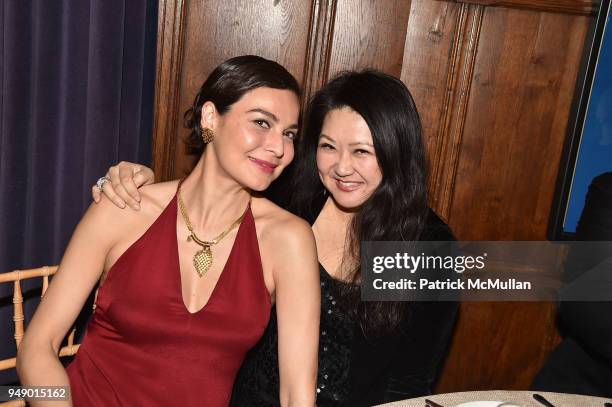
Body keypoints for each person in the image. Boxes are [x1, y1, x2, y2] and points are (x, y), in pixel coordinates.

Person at [96, 70, 458, 406]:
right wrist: (131, 180)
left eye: (362, 151)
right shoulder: (289, 200)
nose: (342, 168)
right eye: (328, 146)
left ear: (397, 152)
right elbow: (202, 199)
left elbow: (408, 385)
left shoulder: (429, 246)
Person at [17, 55, 320, 407]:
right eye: (261, 123)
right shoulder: (123, 208)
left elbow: (297, 394)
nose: (279, 148)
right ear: (210, 118)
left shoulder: (289, 240)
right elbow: (36, 349)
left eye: (289, 134)